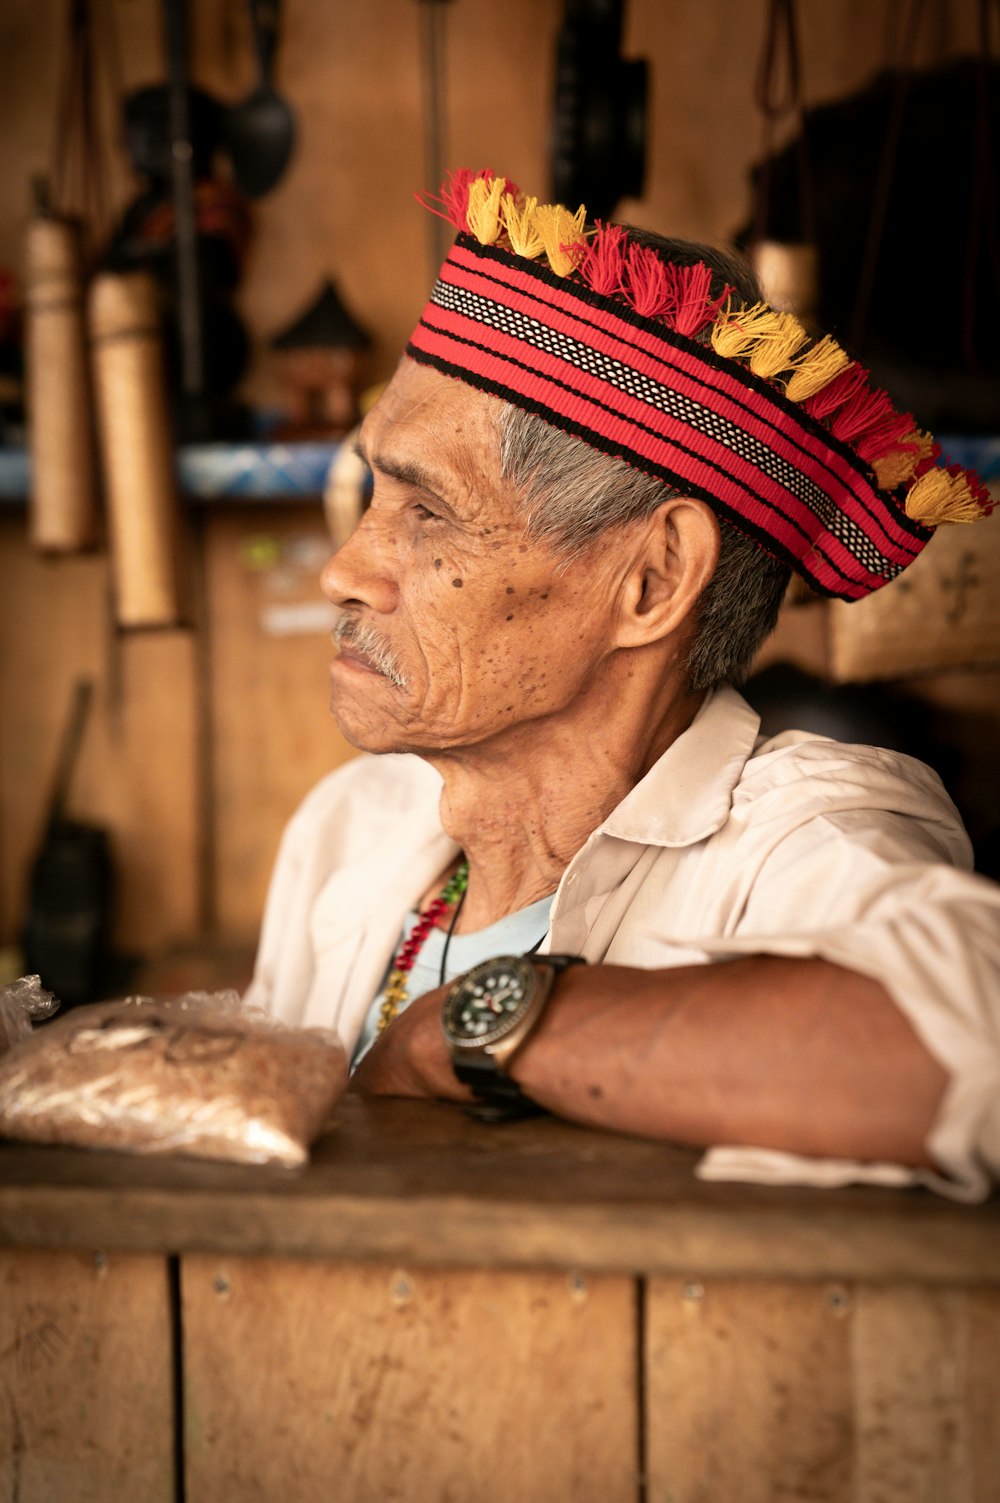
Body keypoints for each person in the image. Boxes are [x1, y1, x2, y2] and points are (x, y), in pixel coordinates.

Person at [246, 169, 1000, 1200]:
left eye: (428, 513)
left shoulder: (799, 841)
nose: (346, 568)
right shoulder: (351, 829)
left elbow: (971, 1048)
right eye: (373, 489)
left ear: (650, 581)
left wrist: (453, 1036)